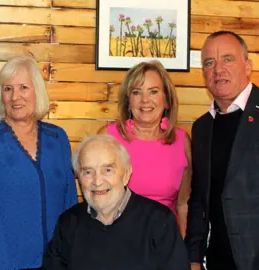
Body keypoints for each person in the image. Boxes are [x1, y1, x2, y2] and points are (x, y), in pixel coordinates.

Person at [0, 55, 77, 269]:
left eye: (23, 87)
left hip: (57, 262)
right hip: (7, 263)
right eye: (8, 89)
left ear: (37, 91)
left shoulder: (58, 138)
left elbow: (70, 203)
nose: (15, 96)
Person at [43, 135, 189, 269]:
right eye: (88, 172)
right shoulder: (68, 222)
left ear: (126, 174)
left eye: (107, 170)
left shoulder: (160, 221)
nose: (98, 181)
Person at [185, 31, 259, 270]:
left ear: (247, 65)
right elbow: (199, 199)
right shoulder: (202, 128)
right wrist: (194, 257)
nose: (218, 69)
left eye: (228, 59)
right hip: (216, 261)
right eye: (209, 62)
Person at [97, 60, 191, 237]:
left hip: (165, 241)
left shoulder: (182, 141)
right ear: (128, 100)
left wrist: (184, 253)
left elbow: (183, 204)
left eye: (153, 91)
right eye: (136, 92)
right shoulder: (107, 137)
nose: (145, 100)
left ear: (167, 100)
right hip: (117, 240)